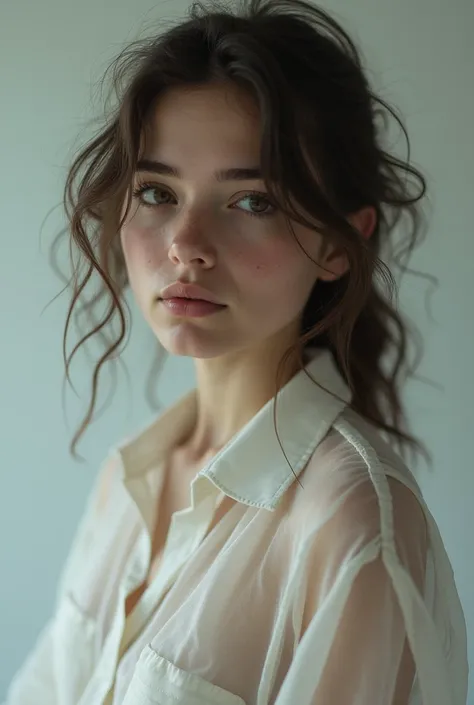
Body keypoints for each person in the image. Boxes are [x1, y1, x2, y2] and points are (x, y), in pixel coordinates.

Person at [4, 0, 468, 703]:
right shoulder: (131, 476)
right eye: (157, 191)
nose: (186, 244)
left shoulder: (351, 525)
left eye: (253, 202)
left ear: (341, 243)